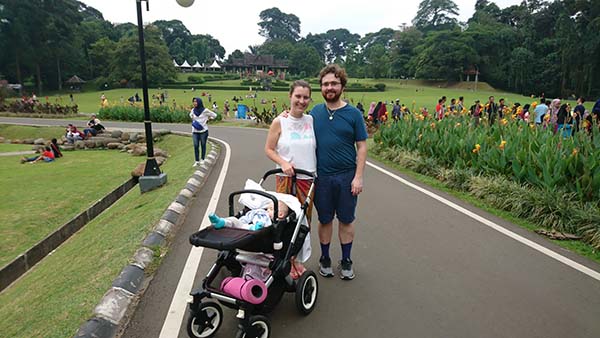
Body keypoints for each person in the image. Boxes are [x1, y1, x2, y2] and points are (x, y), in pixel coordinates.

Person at [312, 64, 367, 280]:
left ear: (342, 85)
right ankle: (324, 257)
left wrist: (359, 176)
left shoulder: (353, 114)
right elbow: (296, 127)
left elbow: (361, 146)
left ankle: (345, 260)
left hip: (346, 177)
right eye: (325, 84)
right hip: (322, 177)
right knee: (324, 219)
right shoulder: (315, 112)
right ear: (321, 88)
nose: (330, 87)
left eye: (334, 83)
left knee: (346, 220)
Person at [265, 80, 317, 279]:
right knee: (283, 220)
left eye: (305, 97)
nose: (301, 101)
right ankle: (281, 258)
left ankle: (296, 260)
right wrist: (283, 163)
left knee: (304, 221)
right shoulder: (280, 121)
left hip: (307, 179)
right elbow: (269, 149)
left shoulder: (311, 120)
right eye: (298, 96)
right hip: (285, 178)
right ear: (290, 96)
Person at [208, 200, 289, 231]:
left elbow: (268, 227)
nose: (267, 210)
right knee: (233, 219)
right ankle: (220, 222)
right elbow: (248, 216)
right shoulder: (259, 212)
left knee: (258, 228)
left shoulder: (275, 222)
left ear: (280, 214)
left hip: (257, 230)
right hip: (244, 225)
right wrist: (242, 221)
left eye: (271, 209)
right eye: (267, 208)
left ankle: (255, 228)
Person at [190, 97, 217, 167]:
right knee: (196, 146)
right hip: (195, 131)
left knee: (203, 145)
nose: (194, 103)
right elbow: (190, 115)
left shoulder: (205, 110)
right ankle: (196, 161)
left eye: (196, 101)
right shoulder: (193, 110)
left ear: (199, 102)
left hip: (203, 131)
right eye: (193, 102)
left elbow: (214, 115)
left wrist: (209, 119)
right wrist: (192, 118)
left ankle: (202, 159)